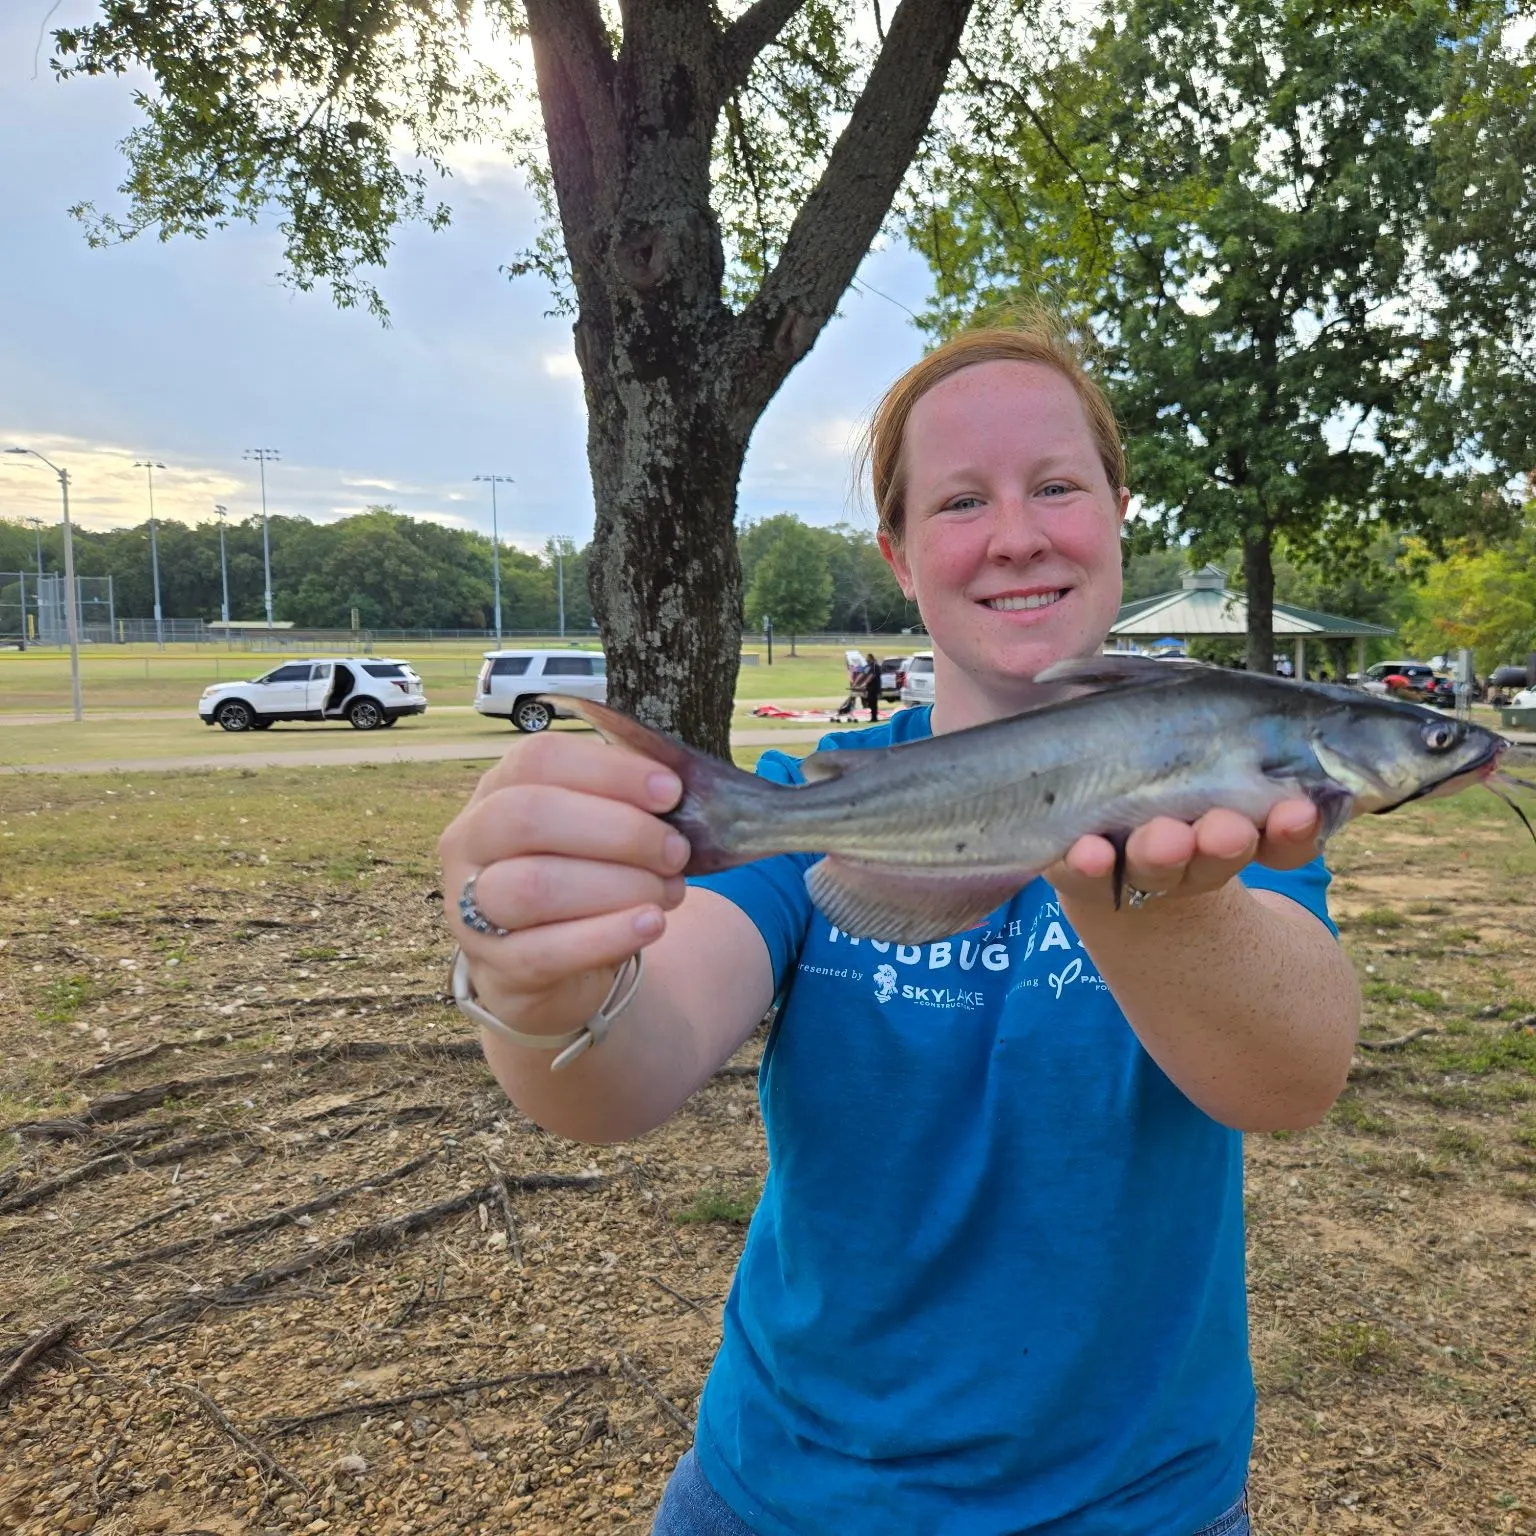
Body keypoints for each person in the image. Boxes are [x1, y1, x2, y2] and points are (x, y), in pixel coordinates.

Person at [437, 324, 1360, 1536]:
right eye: (962, 499)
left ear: (1119, 514)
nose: (1018, 532)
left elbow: (1292, 1079)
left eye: (1059, 485)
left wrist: (1141, 907)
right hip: (783, 1493)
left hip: (1140, 1508)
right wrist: (538, 981)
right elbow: (620, 1079)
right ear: (901, 553)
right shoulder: (809, 805)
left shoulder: (1245, 817)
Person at [859, 649, 883, 722]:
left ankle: (874, 718)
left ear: (871, 659)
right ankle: (873, 717)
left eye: (868, 659)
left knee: (873, 702)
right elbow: (862, 674)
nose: (866, 660)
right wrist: (855, 683)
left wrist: (864, 684)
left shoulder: (875, 666)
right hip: (870, 688)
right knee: (870, 702)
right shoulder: (868, 666)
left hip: (875, 687)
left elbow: (871, 676)